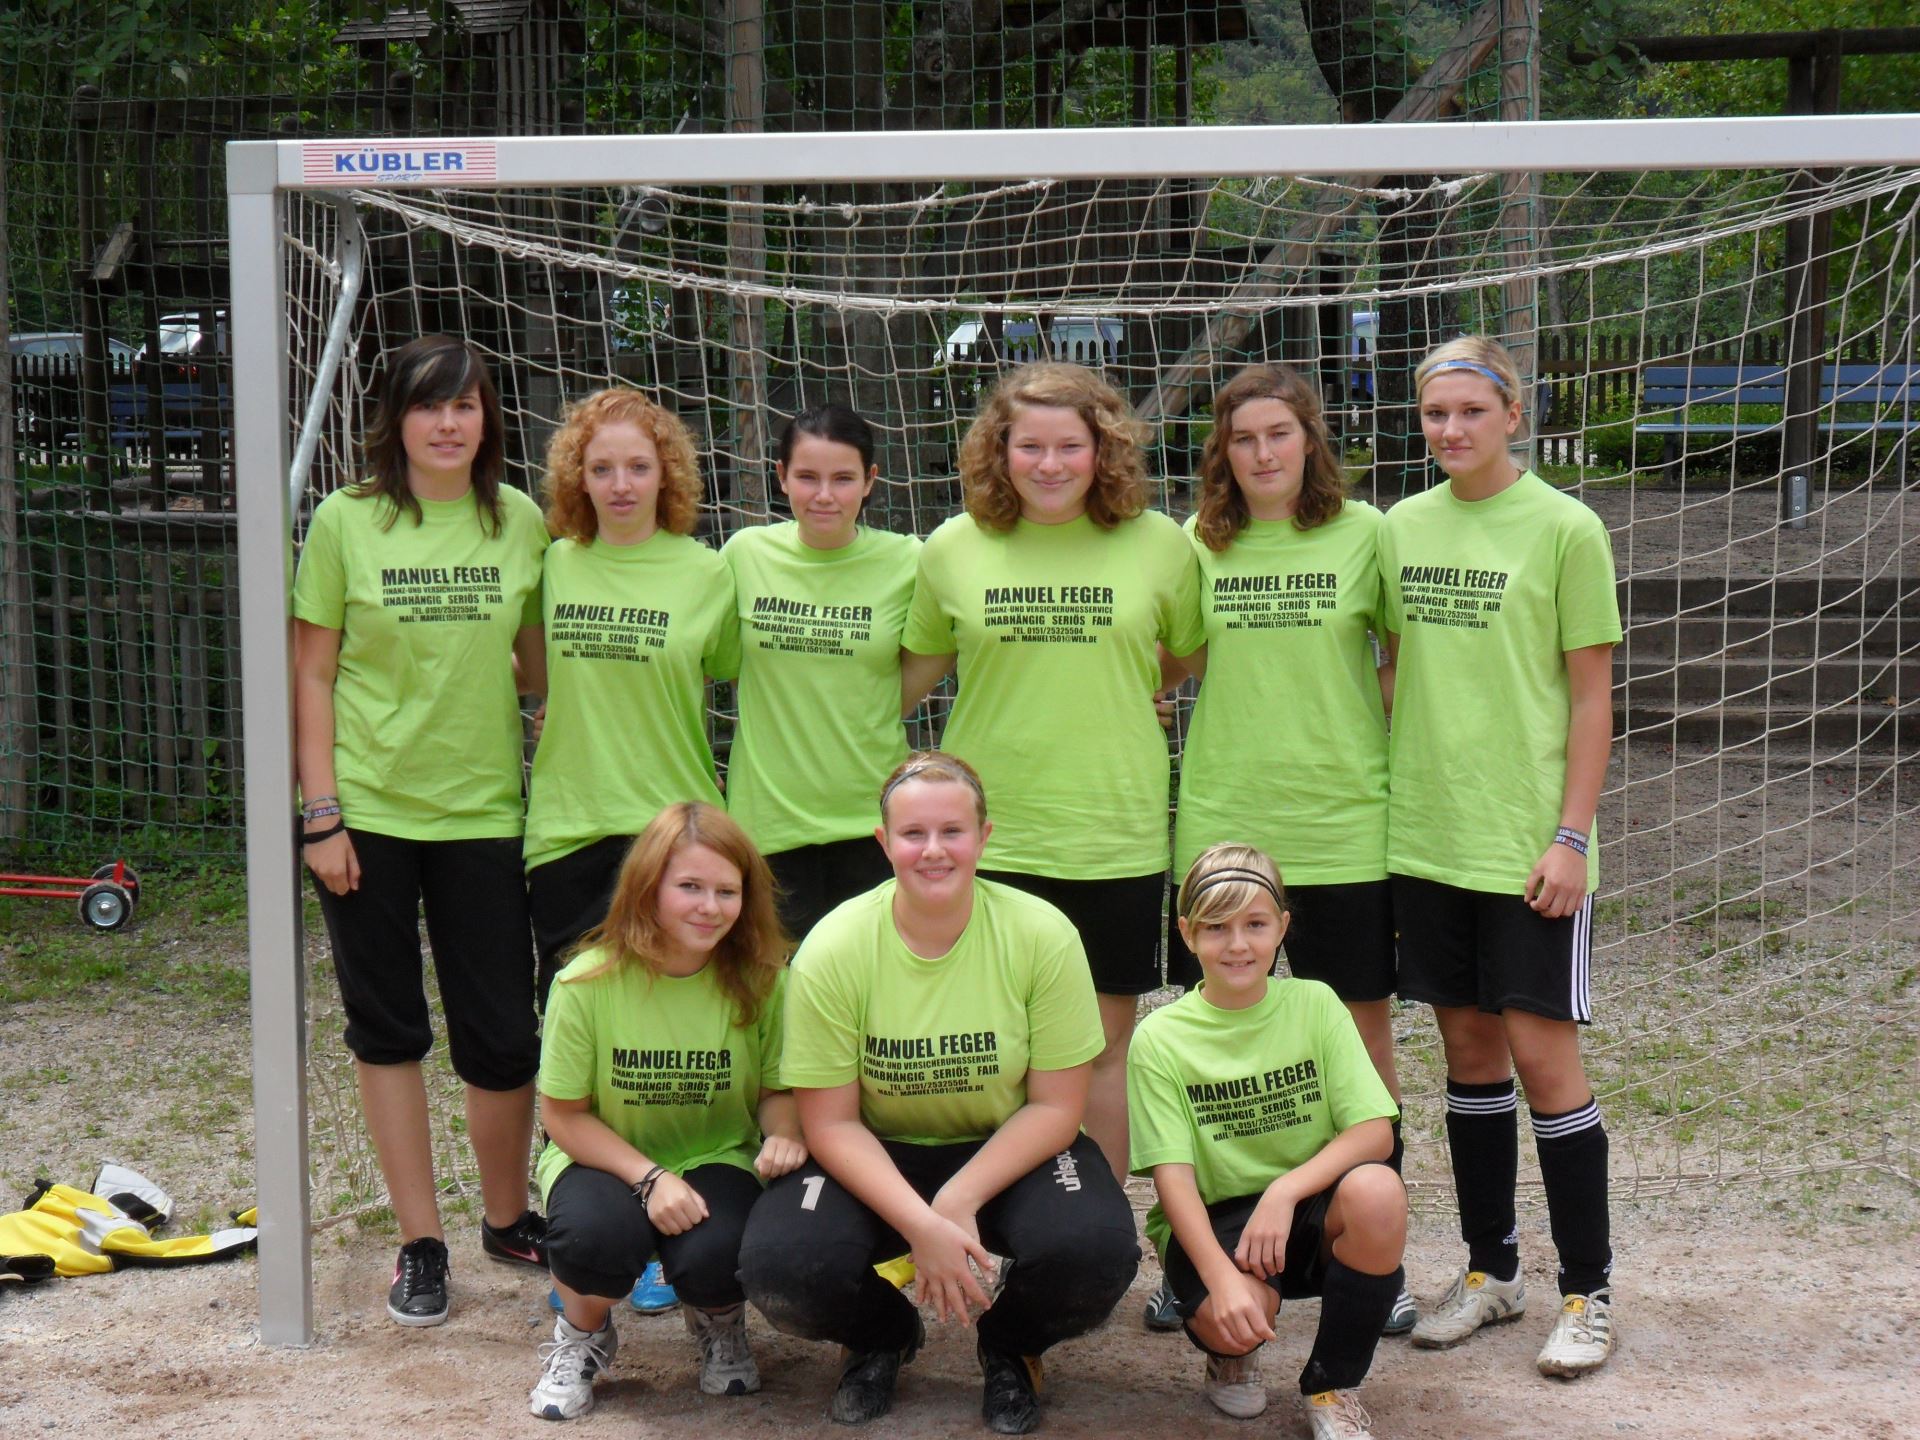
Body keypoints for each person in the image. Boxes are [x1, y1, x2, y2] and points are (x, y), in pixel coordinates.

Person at [739, 752, 1139, 1434]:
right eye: (912, 833)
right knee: (783, 1270)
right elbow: (830, 1124)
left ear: (984, 837)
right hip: (875, 1149)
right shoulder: (835, 947)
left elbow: (1056, 1108)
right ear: (883, 842)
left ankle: (1010, 1343)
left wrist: (957, 1199)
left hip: (1007, 1147)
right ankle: (882, 1335)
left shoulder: (1041, 934)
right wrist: (922, 1225)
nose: (932, 851)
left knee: (1094, 1255)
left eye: (952, 832)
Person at [292, 335, 550, 1326]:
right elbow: (311, 673)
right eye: (430, 405)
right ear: (395, 417)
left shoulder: (517, 520)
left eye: (468, 406)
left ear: (488, 421)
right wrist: (322, 814)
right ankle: (420, 1242)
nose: (450, 423)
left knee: (502, 1034)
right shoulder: (348, 522)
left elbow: (537, 671)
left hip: (484, 811)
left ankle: (506, 1217)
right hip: (368, 815)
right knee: (389, 1026)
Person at [1153, 363, 1413, 1338]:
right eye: (1244, 438)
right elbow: (1168, 657)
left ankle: (1378, 1258)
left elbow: (1400, 661)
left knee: (1360, 1044)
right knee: (1208, 1045)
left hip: (1343, 824)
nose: (1263, 453)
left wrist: (1341, 733)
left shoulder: (1366, 535)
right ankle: (1189, 1253)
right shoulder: (1195, 545)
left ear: (1310, 441)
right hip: (1222, 829)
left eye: (1280, 434)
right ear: (1223, 452)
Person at [1380, 336, 1622, 1376]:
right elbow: (1390, 666)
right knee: (1470, 1062)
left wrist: (1571, 833)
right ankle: (1492, 1271)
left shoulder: (1567, 528)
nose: (1452, 430)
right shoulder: (1397, 529)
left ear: (1513, 414)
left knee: (1543, 1061)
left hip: (1530, 848)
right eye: (1436, 413)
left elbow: (1591, 694)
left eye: (1472, 411)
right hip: (1427, 841)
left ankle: (1589, 1291)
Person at [901, 362, 1204, 1185]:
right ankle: (982, 1220)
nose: (1048, 464)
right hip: (989, 837)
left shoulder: (1160, 544)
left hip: (1114, 830)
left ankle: (1097, 1233)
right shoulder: (953, 548)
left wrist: (1143, 688)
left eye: (1069, 446)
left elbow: (1190, 649)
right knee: (992, 1046)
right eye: (1027, 445)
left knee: (1103, 1046)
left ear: (1102, 451)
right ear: (997, 452)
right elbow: (908, 674)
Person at [528, 803, 801, 1419]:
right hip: (603, 1155)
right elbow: (565, 1115)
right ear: (648, 889)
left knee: (719, 1255)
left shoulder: (764, 981)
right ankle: (583, 1335)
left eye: (727, 891)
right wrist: (649, 1179)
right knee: (589, 1239)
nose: (711, 906)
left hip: (715, 1153)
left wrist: (783, 1133)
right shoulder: (584, 984)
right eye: (690, 887)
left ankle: (718, 1322)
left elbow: (778, 1090)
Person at [1129, 844, 1405, 1440]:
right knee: (1242, 1319)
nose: (1237, 945)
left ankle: (1333, 1386)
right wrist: (1222, 1280)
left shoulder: (1316, 1003)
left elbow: (1374, 1133)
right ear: (1185, 932)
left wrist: (1284, 1192)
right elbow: (1172, 1181)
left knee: (1378, 1192)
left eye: (1255, 924)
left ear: (1282, 927)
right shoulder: (1159, 1039)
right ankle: (1231, 1357)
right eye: (1216, 927)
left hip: (1304, 1210)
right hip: (1217, 1218)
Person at [524, 387, 740, 1005]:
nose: (621, 484)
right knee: (575, 1028)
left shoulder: (707, 572)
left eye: (639, 467)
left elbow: (714, 670)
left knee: (673, 1029)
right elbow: (526, 660)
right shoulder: (554, 563)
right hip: (570, 828)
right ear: (578, 479)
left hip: (672, 829)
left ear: (666, 474)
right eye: (602, 469)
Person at [721, 404, 922, 936]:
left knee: (867, 998)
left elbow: (957, 642)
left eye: (843, 478)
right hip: (768, 822)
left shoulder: (908, 561)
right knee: (776, 995)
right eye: (807, 477)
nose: (824, 494)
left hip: (872, 821)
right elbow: (696, 655)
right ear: (781, 477)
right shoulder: (745, 555)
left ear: (870, 481)